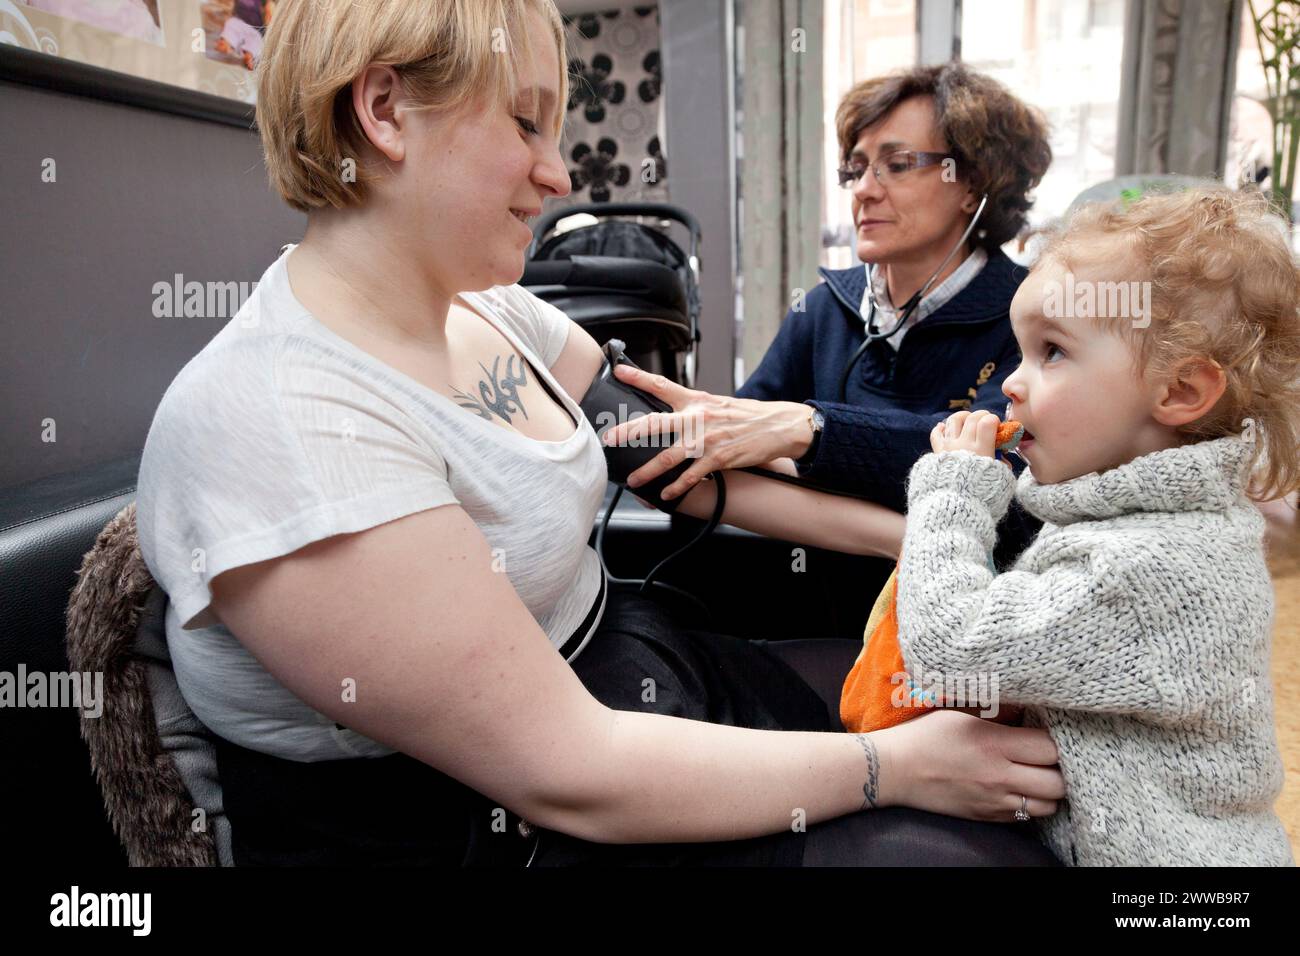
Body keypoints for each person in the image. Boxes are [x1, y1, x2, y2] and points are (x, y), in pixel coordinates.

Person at [134, 0, 1063, 866]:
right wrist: (894, 769)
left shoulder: (499, 312)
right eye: (527, 122)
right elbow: (568, 771)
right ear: (385, 110)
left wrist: (910, 531)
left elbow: (673, 460)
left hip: (634, 655)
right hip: (491, 816)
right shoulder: (281, 419)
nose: (560, 172)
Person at [898, 187, 1297, 865]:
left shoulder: (1154, 569)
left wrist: (953, 491)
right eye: (1020, 353)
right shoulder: (1132, 519)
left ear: (1178, 393)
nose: (1012, 386)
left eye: (1051, 352)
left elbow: (948, 646)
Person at [602, 64, 1052, 640]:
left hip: (953, 637)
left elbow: (997, 472)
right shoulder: (822, 310)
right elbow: (730, 443)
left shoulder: (1029, 314)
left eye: (896, 163)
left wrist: (809, 430)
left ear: (972, 184)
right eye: (857, 168)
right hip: (808, 616)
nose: (864, 188)